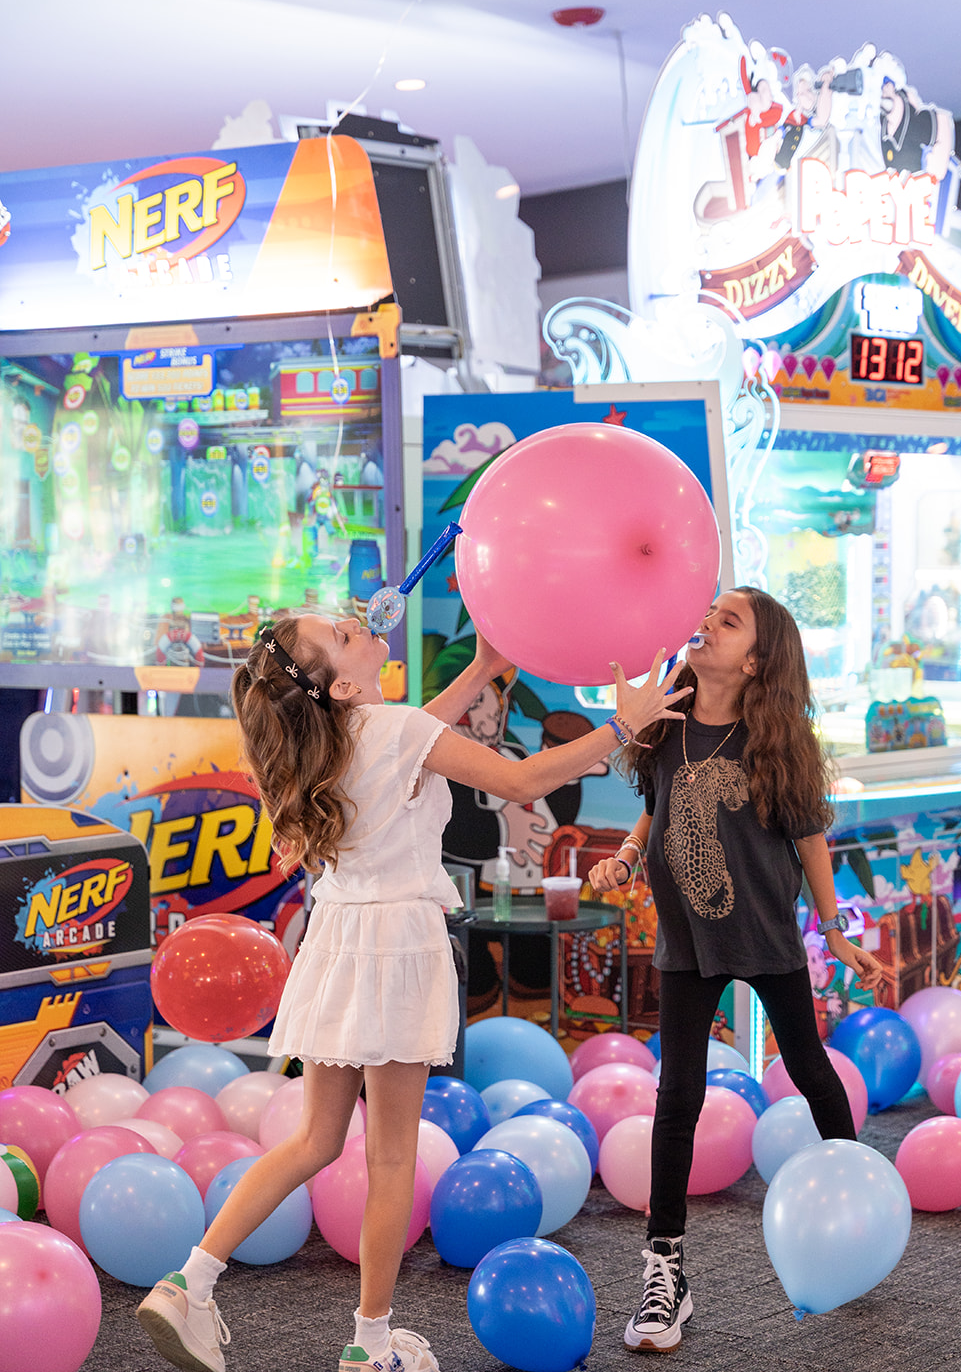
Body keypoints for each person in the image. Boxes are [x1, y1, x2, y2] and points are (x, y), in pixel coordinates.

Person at [137, 613, 689, 1372]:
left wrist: (479, 670)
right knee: (392, 1158)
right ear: (339, 681)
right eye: (338, 629)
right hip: (396, 945)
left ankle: (189, 1281)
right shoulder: (386, 728)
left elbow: (408, 739)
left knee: (313, 1141)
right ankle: (369, 1344)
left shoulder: (330, 739)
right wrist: (619, 726)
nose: (356, 621)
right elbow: (522, 780)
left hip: (336, 942)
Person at [588, 587, 883, 1354]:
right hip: (688, 940)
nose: (705, 625)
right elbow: (653, 805)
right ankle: (664, 1268)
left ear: (754, 661)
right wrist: (624, 856)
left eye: (727, 621)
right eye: (708, 613)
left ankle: (860, 1208)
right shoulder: (664, 725)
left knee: (812, 1072)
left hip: (762, 931)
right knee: (677, 1093)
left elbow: (811, 838)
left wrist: (832, 927)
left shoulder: (776, 742)